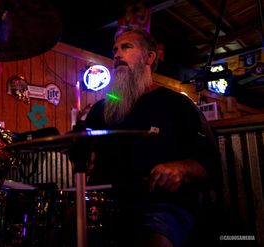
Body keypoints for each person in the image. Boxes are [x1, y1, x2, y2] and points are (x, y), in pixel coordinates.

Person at [75, 25, 221, 247]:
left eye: (126, 47)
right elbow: (84, 156)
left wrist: (180, 168)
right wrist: (79, 150)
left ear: (149, 57)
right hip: (106, 204)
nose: (116, 54)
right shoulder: (100, 110)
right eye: (114, 49)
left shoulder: (178, 104)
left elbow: (209, 164)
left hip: (160, 206)